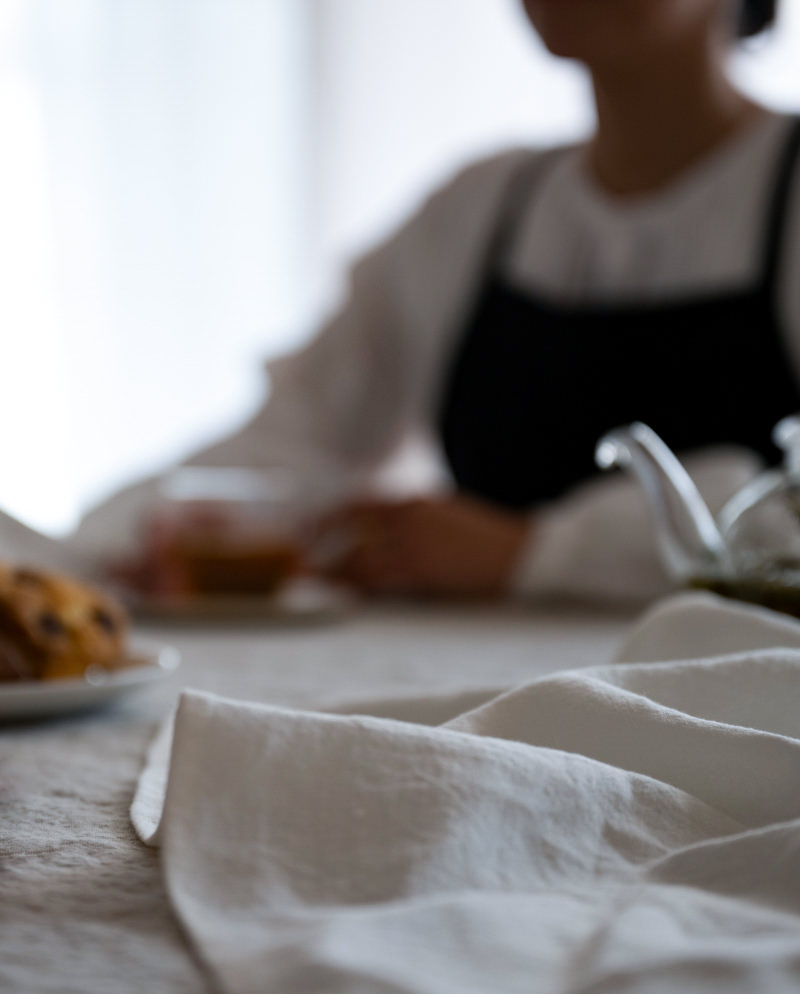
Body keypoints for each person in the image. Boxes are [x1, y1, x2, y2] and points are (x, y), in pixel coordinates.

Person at [71, 0, 797, 604]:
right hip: (490, 710)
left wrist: (532, 552)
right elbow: (300, 435)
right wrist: (131, 538)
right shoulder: (480, 211)